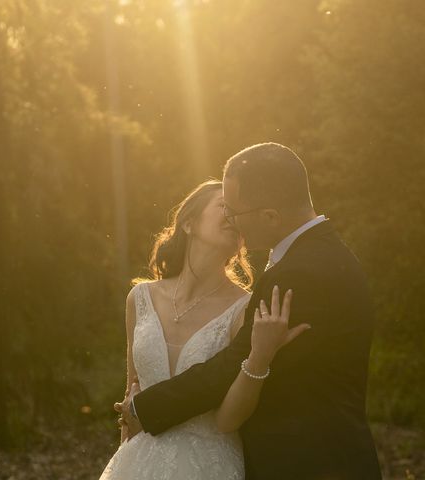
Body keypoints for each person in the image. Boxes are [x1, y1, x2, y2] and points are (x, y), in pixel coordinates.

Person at [121, 143, 382, 479]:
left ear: (270, 215)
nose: (231, 221)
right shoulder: (320, 256)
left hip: (308, 465)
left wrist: (146, 407)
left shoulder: (301, 273)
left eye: (234, 212)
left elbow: (232, 363)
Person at [100, 180, 306, 479]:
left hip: (210, 465)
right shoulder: (140, 298)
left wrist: (260, 357)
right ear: (188, 223)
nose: (233, 215)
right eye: (224, 206)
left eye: (238, 210)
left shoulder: (246, 309)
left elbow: (227, 420)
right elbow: (132, 401)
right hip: (139, 464)